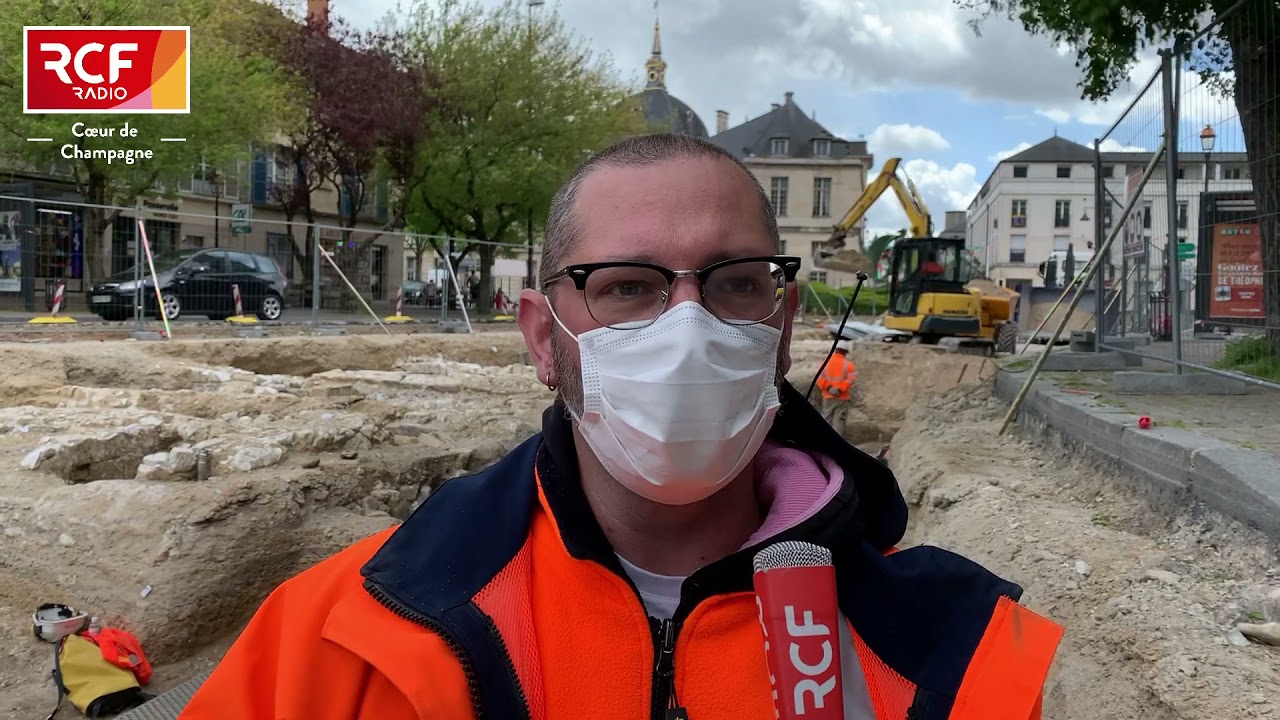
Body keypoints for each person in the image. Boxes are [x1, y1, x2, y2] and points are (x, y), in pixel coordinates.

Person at [179, 134, 1062, 720]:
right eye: (628, 286)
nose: (688, 327)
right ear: (542, 337)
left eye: (734, 282)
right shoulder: (343, 636)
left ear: (783, 326)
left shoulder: (963, 655)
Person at [816, 338, 856, 437]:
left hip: (828, 396)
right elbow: (850, 380)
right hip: (842, 398)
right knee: (839, 422)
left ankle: (823, 441)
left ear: (835, 349)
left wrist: (829, 388)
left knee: (826, 420)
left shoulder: (825, 363)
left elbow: (819, 378)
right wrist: (839, 389)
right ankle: (837, 445)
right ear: (846, 352)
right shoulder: (849, 365)